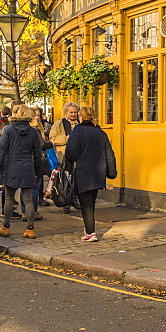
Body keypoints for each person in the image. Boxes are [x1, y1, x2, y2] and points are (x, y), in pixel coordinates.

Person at [64, 106, 116, 242]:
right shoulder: (100, 132)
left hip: (83, 172)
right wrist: (112, 172)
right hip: (98, 172)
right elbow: (110, 153)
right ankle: (89, 230)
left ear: (81, 117)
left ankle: (91, 232)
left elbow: (72, 153)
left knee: (86, 204)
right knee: (90, 202)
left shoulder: (77, 131)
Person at [0, 105, 42, 239]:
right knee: (28, 200)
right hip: (27, 167)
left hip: (12, 166)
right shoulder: (33, 132)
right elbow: (38, 153)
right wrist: (37, 170)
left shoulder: (8, 129)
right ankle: (30, 229)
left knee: (9, 198)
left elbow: (1, 149)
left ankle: (6, 227)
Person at [50, 102, 81, 213]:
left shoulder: (80, 123)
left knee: (77, 178)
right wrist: (67, 138)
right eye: (71, 112)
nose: (73, 114)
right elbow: (52, 138)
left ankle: (75, 199)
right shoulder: (59, 123)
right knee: (65, 179)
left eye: (75, 112)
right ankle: (65, 201)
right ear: (66, 113)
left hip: (78, 156)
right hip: (64, 156)